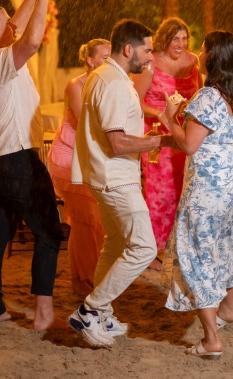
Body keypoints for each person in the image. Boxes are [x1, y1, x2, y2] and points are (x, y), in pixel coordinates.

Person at [0, 0, 64, 329]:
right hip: (17, 160)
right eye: (7, 21)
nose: (13, 23)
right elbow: (33, 38)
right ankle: (43, 313)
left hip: (2, 159)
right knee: (49, 232)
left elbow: (20, 27)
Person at [67, 19, 173, 347]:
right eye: (147, 49)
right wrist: (160, 141)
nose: (151, 56)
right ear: (128, 49)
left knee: (114, 245)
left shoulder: (108, 76)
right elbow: (117, 143)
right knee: (143, 248)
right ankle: (91, 310)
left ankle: (102, 314)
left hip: (108, 176)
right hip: (115, 177)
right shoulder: (112, 81)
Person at [159, 31, 233, 359]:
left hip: (209, 190)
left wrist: (168, 119)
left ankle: (212, 338)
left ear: (213, 56)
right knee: (225, 248)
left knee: (195, 255)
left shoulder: (207, 97)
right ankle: (229, 309)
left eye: (202, 47)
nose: (197, 52)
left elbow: (188, 145)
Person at [133, 17, 202, 271]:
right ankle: (151, 250)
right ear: (165, 39)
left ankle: (178, 246)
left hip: (185, 134)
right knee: (159, 194)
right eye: (176, 38)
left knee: (184, 190)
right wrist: (159, 113)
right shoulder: (151, 64)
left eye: (184, 38)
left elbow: (201, 95)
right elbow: (135, 100)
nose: (181, 43)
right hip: (157, 135)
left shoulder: (193, 62)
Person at [47, 39, 111, 296]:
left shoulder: (109, 85)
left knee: (93, 219)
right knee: (86, 218)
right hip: (69, 159)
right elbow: (89, 122)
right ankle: (83, 280)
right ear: (90, 61)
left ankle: (88, 277)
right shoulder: (76, 85)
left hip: (91, 159)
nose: (110, 62)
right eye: (105, 58)